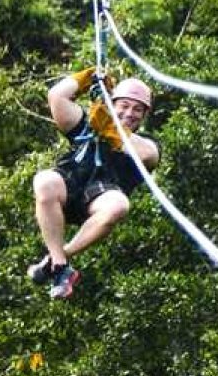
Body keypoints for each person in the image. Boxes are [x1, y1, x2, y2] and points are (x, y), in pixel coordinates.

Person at [28, 68, 159, 298]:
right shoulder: (89, 124)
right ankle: (60, 267)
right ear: (113, 103)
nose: (130, 113)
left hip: (101, 196)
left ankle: (58, 258)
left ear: (144, 115)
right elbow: (57, 96)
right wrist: (88, 78)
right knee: (44, 181)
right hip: (68, 186)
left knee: (119, 205)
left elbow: (146, 153)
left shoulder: (146, 145)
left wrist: (110, 128)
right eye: (124, 105)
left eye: (138, 109)